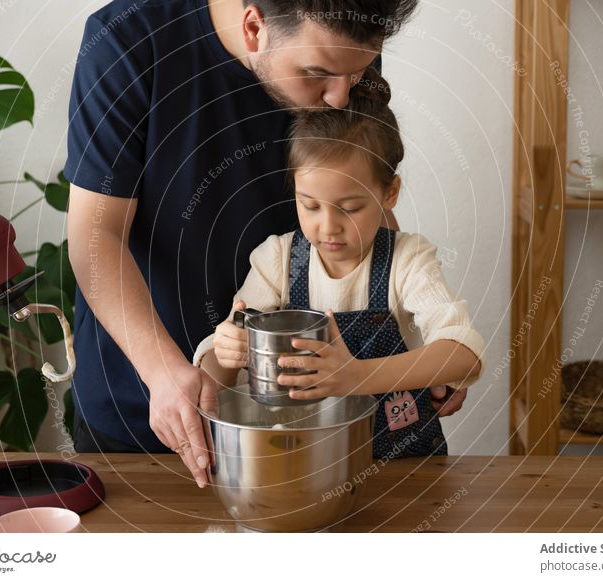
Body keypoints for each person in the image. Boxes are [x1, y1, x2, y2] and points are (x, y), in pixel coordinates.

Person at [64, 0, 469, 486]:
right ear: (254, 26)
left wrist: (410, 341)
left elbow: (357, 186)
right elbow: (95, 237)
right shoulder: (127, 41)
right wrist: (164, 371)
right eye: (317, 74)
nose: (340, 97)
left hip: (312, 412)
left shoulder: (339, 51)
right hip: (149, 397)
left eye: (357, 74)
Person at [195, 67, 485, 457]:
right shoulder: (277, 260)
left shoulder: (407, 260)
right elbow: (212, 382)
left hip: (406, 474)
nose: (328, 227)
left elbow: (464, 353)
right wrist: (226, 353)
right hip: (307, 469)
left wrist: (356, 377)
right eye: (309, 205)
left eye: (350, 207)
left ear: (390, 193)